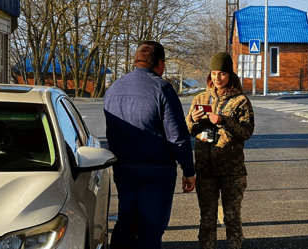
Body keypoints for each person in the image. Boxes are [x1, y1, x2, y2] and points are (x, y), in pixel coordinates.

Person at [104, 41, 196, 249]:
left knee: (126, 222)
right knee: (151, 229)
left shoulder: (114, 88)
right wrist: (188, 170)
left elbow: (111, 131)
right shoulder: (162, 89)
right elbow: (177, 137)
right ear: (160, 64)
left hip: (124, 169)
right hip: (156, 172)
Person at [185, 52, 255, 249]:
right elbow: (188, 130)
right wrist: (193, 120)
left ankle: (235, 246)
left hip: (232, 172)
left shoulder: (240, 101)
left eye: (222, 73)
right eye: (214, 73)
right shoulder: (201, 98)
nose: (217, 78)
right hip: (206, 170)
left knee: (232, 217)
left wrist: (224, 121)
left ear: (230, 75)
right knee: (207, 218)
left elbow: (246, 132)